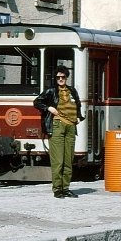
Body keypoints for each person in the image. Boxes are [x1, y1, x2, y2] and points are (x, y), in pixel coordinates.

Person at [33, 65, 84, 198]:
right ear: (55, 78)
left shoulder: (72, 91)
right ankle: (57, 189)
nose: (60, 79)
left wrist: (78, 117)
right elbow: (37, 102)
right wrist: (49, 108)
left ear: (67, 77)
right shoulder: (51, 91)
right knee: (58, 160)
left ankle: (65, 188)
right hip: (57, 126)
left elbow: (77, 104)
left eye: (63, 77)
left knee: (68, 160)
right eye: (58, 77)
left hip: (71, 127)